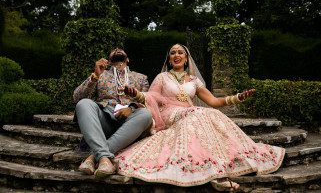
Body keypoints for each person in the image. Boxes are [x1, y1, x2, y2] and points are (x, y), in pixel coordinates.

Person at [114, 44, 285, 191]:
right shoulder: (162, 77)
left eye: (180, 52)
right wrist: (136, 94)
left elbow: (214, 101)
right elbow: (151, 97)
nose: (176, 55)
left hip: (192, 114)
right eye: (172, 53)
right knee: (198, 113)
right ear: (168, 59)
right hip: (170, 113)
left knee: (211, 113)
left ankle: (217, 170)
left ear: (187, 58)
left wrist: (237, 97)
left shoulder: (194, 80)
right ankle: (215, 175)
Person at [73, 48, 152, 179]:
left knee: (145, 114)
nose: (117, 51)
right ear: (109, 62)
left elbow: (148, 101)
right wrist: (95, 76)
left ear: (127, 60)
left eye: (121, 55)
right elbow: (77, 98)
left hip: (130, 123)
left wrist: (132, 107)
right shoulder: (100, 74)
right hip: (104, 120)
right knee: (83, 104)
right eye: (114, 57)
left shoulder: (141, 78)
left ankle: (94, 156)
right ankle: (104, 158)